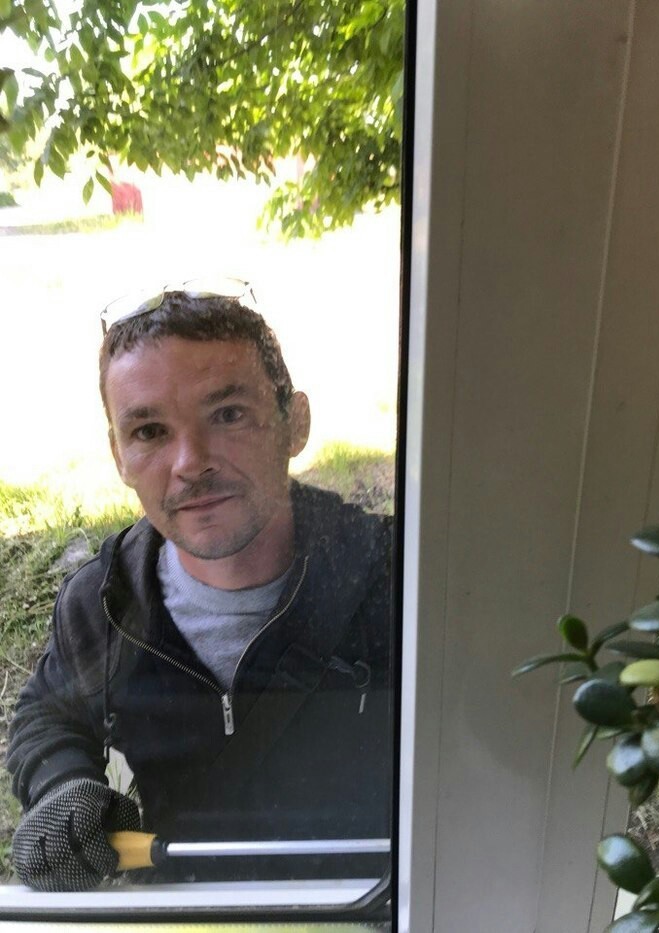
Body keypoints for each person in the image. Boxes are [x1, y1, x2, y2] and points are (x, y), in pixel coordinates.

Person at [6, 284, 393, 892]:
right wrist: (62, 785)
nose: (190, 462)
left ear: (295, 424)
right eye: (149, 431)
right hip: (179, 912)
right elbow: (47, 712)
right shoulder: (105, 603)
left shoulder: (394, 582)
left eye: (228, 415)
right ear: (119, 456)